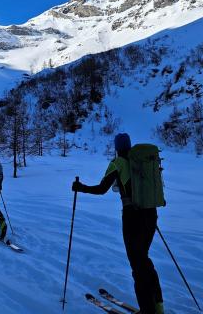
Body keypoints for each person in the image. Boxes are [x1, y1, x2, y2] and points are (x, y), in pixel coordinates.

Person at [72, 134, 164, 314]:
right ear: (129, 145)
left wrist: (80, 187)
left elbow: (101, 189)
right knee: (144, 260)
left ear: (116, 147)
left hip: (132, 218)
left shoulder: (118, 162)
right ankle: (158, 305)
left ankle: (147, 311)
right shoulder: (141, 161)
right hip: (150, 214)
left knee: (137, 265)